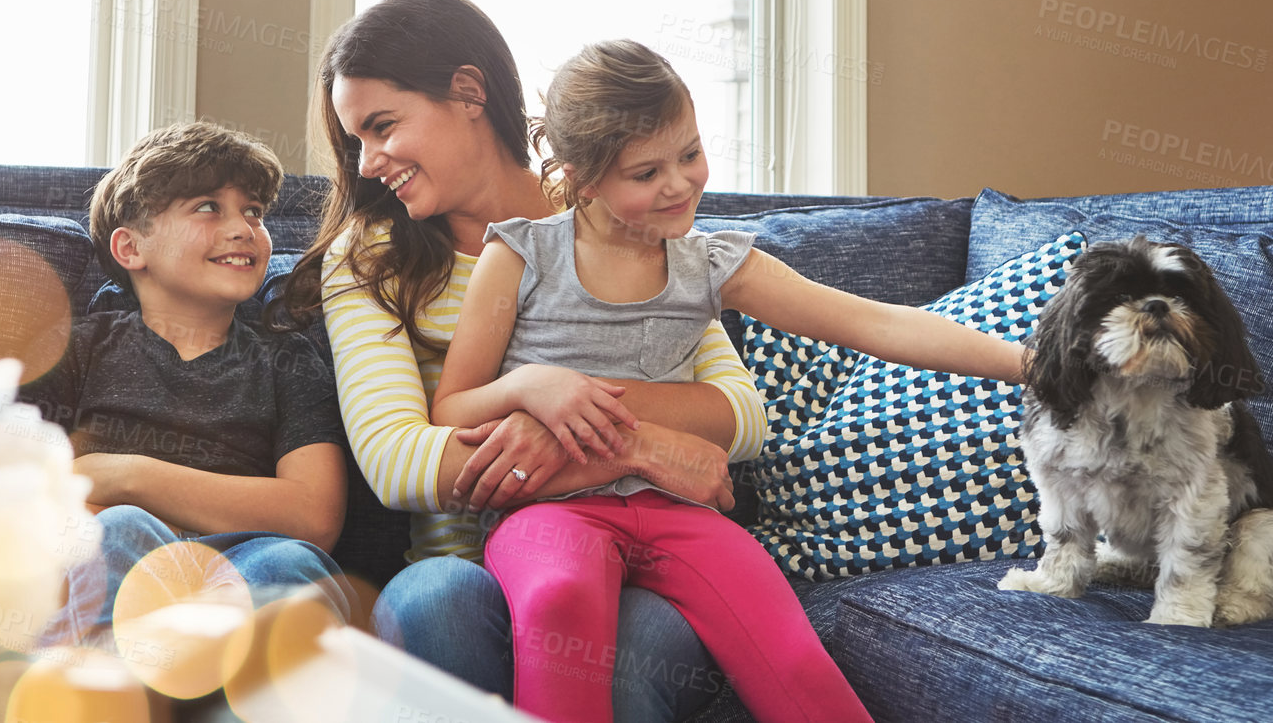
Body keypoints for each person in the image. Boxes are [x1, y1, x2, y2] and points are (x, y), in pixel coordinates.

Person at [429, 39, 1031, 723]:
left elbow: (878, 325)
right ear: (583, 178)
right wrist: (532, 383)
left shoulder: (713, 266)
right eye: (646, 171)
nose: (680, 183)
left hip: (678, 509)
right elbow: (451, 408)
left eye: (689, 154)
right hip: (551, 513)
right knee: (558, 603)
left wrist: (1031, 364)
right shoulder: (517, 256)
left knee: (796, 662)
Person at [281, 0, 766, 721]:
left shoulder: (611, 211)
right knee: (433, 601)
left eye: (382, 126)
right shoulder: (370, 256)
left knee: (631, 651)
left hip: (636, 559)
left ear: (468, 91)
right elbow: (396, 460)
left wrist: (571, 416)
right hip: (463, 572)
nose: (370, 161)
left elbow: (742, 415)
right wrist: (633, 447)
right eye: (357, 142)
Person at [22, 121, 353, 644]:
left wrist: (129, 475)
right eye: (207, 207)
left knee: (293, 564)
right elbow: (25, 492)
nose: (244, 227)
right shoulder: (77, 349)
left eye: (254, 211)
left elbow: (313, 518)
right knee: (114, 532)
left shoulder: (287, 359)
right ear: (132, 249)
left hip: (247, 561)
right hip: (122, 555)